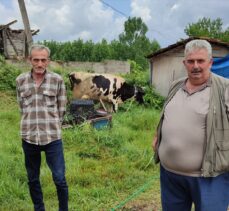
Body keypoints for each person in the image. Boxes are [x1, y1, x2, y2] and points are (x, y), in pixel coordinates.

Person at [153, 39, 229, 211]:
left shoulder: (225, 88)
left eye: (201, 61)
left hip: (210, 179)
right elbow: (167, 116)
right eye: (191, 61)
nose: (196, 66)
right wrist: (158, 136)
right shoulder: (175, 86)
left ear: (210, 62)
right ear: (184, 63)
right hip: (170, 176)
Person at [16, 44, 68, 211]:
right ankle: (39, 208)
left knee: (59, 178)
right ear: (29, 60)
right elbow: (21, 107)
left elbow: (62, 108)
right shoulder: (20, 80)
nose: (39, 64)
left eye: (43, 60)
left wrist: (53, 126)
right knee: (32, 178)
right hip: (29, 137)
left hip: (52, 137)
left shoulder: (57, 80)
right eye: (36, 60)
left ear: (48, 61)